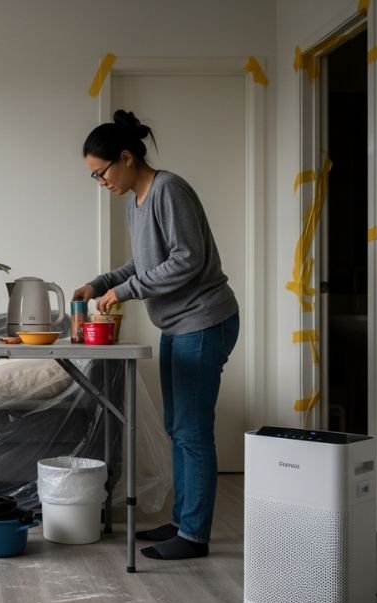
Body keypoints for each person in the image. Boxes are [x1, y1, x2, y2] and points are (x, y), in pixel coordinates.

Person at [73, 110, 240, 560]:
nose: (100, 182)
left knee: (191, 431)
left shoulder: (169, 190)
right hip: (179, 324)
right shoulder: (136, 201)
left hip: (204, 321)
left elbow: (187, 258)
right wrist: (102, 282)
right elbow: (143, 266)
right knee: (177, 427)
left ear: (125, 157)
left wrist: (124, 292)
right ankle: (183, 522)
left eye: (100, 172)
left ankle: (194, 536)